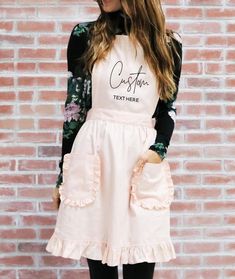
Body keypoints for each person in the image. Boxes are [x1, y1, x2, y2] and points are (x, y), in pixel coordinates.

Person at [46, 0, 183, 278]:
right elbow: (75, 109)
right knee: (100, 265)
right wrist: (64, 175)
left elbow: (168, 108)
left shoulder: (168, 43)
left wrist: (159, 150)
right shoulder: (85, 36)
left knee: (141, 261)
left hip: (140, 161)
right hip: (96, 156)